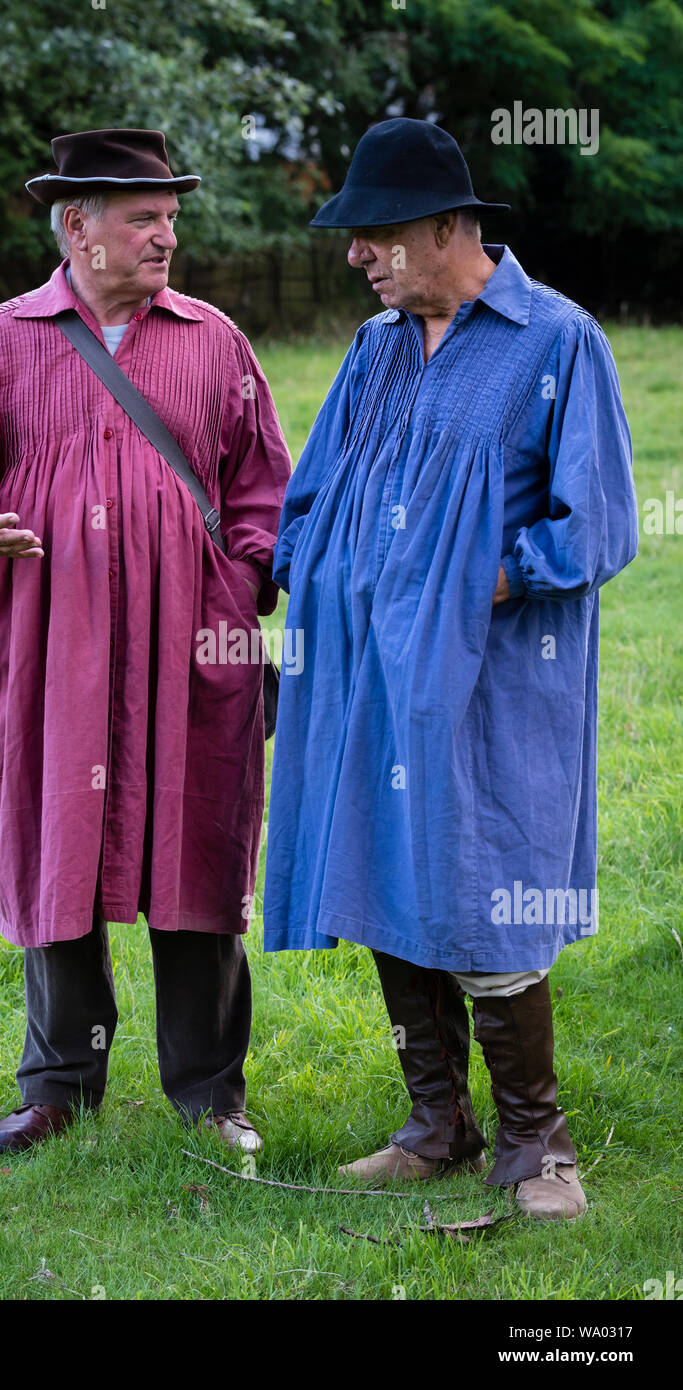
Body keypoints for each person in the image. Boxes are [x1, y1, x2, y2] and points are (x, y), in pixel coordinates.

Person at [0, 128, 291, 1155]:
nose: (166, 237)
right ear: (78, 227)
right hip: (46, 647)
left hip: (193, 649)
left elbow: (264, 490)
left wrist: (239, 583)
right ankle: (60, 1082)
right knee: (57, 840)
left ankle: (211, 1090)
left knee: (197, 846)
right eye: (142, 219)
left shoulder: (214, 342)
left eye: (170, 218)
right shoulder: (0, 341)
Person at [263, 118, 638, 1219]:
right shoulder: (374, 348)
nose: (356, 256)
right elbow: (316, 489)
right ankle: (438, 1125)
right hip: (366, 670)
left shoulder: (556, 343)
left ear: (445, 228)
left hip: (489, 682)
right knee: (389, 870)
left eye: (375, 235)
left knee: (485, 879)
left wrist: (482, 579)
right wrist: (303, 568)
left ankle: (538, 1142)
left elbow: (600, 524)